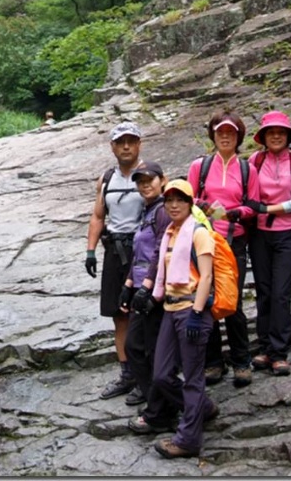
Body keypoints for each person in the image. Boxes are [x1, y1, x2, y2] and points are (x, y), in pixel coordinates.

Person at [187, 110, 259, 388]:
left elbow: (253, 205)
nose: (225, 136)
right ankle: (213, 362)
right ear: (213, 135)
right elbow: (189, 198)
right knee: (206, 299)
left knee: (233, 301)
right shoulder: (200, 166)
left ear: (238, 135)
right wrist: (209, 209)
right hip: (205, 241)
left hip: (234, 242)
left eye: (230, 132)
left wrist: (232, 214)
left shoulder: (247, 169)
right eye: (220, 132)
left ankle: (242, 362)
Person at [149, 178, 219, 459]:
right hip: (169, 309)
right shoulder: (170, 232)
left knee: (192, 378)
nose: (174, 205)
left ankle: (188, 440)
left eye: (180, 200)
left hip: (192, 310)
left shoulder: (198, 232)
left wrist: (198, 313)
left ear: (190, 204)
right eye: (169, 200)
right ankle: (202, 408)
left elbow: (207, 276)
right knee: (162, 375)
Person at [246, 111, 291, 376]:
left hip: (287, 235)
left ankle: (279, 351)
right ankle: (264, 348)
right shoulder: (255, 160)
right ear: (263, 137)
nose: (276, 136)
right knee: (263, 290)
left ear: (288, 136)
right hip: (260, 235)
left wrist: (265, 208)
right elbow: (248, 195)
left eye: (281, 132)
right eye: (271, 132)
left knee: (281, 292)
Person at [85, 121, 146, 399]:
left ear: (138, 145)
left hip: (143, 252)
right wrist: (90, 250)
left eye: (131, 141)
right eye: (121, 142)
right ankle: (127, 374)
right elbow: (98, 216)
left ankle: (147, 375)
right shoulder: (106, 179)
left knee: (143, 314)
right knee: (118, 315)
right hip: (114, 251)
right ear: (112, 146)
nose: (126, 147)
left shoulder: (150, 176)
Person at [121, 161, 177, 433]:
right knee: (134, 347)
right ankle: (159, 404)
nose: (145, 185)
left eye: (150, 180)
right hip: (141, 289)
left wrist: (149, 288)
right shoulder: (147, 211)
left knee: (153, 352)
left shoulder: (164, 211)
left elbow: (160, 253)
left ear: (162, 180)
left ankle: (162, 412)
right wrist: (129, 283)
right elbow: (140, 253)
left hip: (156, 292)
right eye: (140, 181)